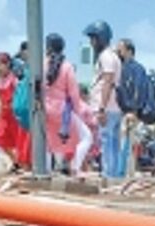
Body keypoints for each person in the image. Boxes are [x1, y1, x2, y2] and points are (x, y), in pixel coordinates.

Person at [44, 33, 93, 177]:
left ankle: (45, 171)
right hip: (62, 111)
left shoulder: (41, 64)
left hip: (46, 109)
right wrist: (78, 110)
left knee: (48, 142)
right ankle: (75, 167)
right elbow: (73, 93)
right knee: (87, 137)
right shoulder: (67, 66)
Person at [84, 20, 123, 179]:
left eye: (93, 38)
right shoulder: (114, 57)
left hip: (106, 108)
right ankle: (113, 176)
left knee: (107, 144)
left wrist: (101, 108)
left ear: (100, 38)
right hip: (114, 107)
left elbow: (108, 82)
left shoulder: (106, 57)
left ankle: (109, 176)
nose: (91, 43)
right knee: (113, 144)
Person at [116, 38, 147, 177]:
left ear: (129, 51)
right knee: (124, 146)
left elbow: (138, 90)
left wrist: (134, 110)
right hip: (125, 112)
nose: (118, 52)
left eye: (120, 50)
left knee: (126, 146)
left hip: (129, 112)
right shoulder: (125, 68)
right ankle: (124, 174)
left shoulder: (135, 69)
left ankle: (125, 175)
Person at [0, 52, 27, 169]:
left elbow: (20, 96)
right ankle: (15, 161)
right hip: (4, 113)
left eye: (0, 65)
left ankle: (20, 164)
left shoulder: (14, 79)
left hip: (15, 114)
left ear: (7, 64)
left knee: (18, 140)